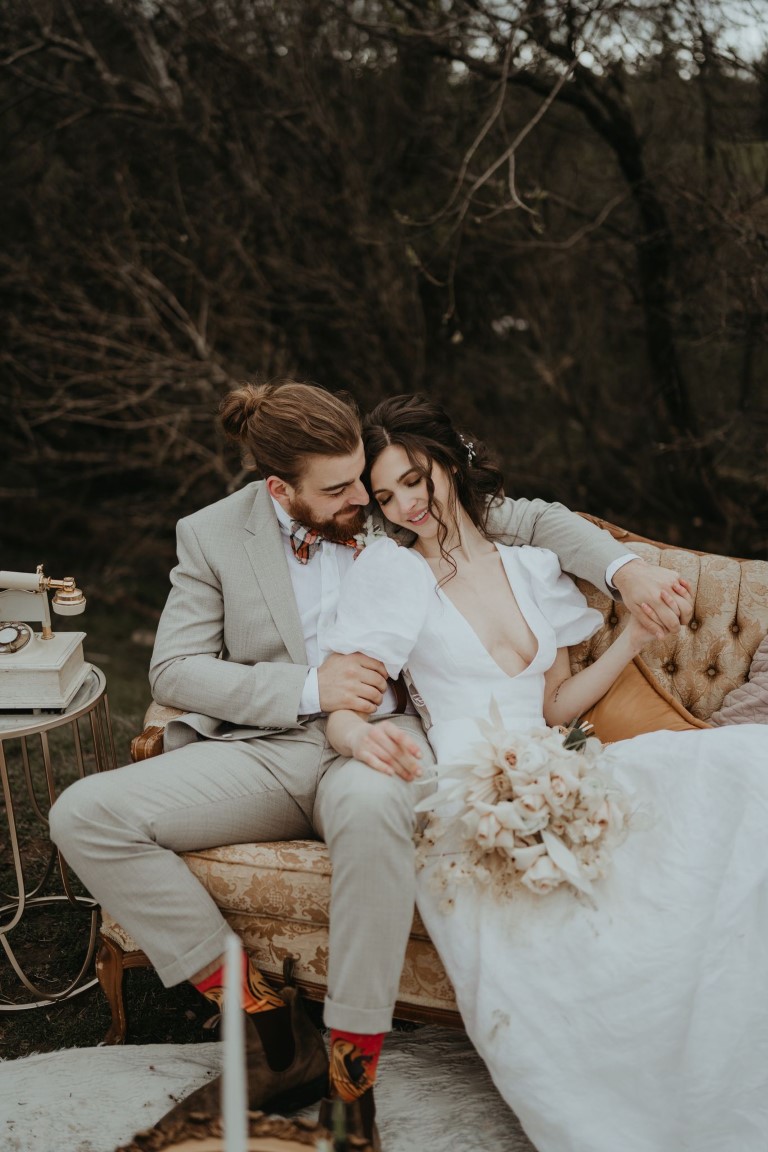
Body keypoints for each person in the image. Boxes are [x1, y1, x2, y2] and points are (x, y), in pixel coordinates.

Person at [49, 381, 692, 1151]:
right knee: (82, 815)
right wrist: (307, 688)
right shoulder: (213, 534)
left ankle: (355, 1082)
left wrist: (627, 574)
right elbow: (174, 672)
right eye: (343, 487)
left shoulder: (401, 515)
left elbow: (539, 521)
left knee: (370, 806)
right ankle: (271, 1030)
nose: (367, 496)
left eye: (369, 477)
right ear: (279, 489)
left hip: (388, 742)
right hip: (268, 746)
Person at [324, 393, 768, 1152]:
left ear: (448, 462)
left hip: (561, 761)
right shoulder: (388, 577)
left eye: (413, 478)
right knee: (566, 932)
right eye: (385, 494)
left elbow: (558, 706)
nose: (403, 505)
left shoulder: (531, 566)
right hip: (473, 785)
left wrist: (632, 636)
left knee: (740, 766)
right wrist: (349, 734)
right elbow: (347, 694)